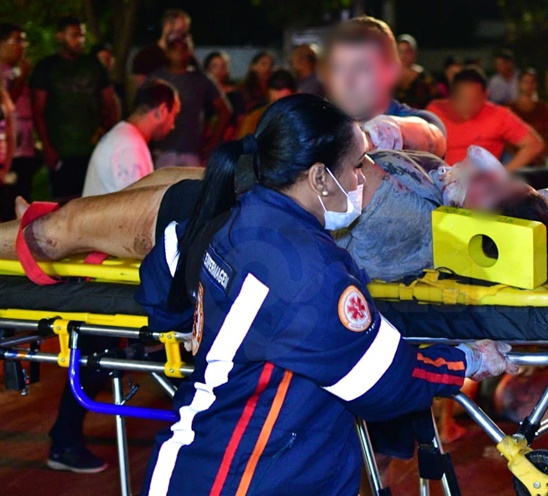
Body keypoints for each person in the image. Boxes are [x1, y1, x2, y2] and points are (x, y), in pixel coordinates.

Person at [140, 95, 516, 494]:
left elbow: (159, 279)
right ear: (320, 178)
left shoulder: (231, 216)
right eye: (357, 165)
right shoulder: (310, 271)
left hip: (203, 455)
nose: (362, 178)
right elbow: (383, 382)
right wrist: (467, 361)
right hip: (248, 475)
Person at [323, 17, 447, 157]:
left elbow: (431, 138)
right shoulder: (318, 125)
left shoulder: (417, 119)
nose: (347, 81)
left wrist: (387, 131)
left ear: (391, 71)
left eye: (361, 68)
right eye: (338, 68)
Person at [30, 16, 119, 201]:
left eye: (82, 35)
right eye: (74, 35)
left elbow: (110, 101)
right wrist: (47, 146)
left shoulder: (93, 65)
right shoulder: (46, 67)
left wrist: (112, 136)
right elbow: (38, 109)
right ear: (60, 37)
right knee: (64, 201)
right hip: (62, 147)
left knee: (94, 199)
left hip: (93, 146)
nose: (79, 40)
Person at [427, 68, 543, 169]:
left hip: (484, 187)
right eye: (461, 100)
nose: (467, 106)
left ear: (485, 95)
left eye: (474, 100)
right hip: (441, 184)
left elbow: (534, 144)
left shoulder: (499, 115)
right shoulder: (434, 112)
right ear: (451, 95)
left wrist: (504, 174)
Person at [82, 80, 180, 196]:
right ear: (162, 111)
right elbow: (134, 206)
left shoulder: (124, 137)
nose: (173, 126)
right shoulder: (130, 147)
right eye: (174, 116)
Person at [149, 37, 231, 168]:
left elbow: (225, 110)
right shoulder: (157, 78)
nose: (180, 54)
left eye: (184, 49)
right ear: (167, 52)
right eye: (175, 50)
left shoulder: (201, 79)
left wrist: (214, 141)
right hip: (162, 151)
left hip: (191, 152)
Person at [0, 23, 34, 222]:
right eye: (17, 40)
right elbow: (6, 109)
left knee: (20, 205)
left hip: (23, 150)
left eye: (24, 40)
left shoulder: (16, 71)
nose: (22, 46)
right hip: (7, 155)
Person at [130, 8, 193, 90]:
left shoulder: (185, 56)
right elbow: (142, 88)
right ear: (167, 26)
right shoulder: (145, 56)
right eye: (180, 30)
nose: (183, 35)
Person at [507, 69, 548, 166]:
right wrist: (519, 156)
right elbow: (504, 136)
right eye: (525, 82)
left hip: (539, 158)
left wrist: (542, 153)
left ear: (536, 85)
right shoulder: (510, 109)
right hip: (515, 159)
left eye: (532, 82)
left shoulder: (543, 108)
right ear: (519, 84)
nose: (529, 85)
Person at [236, 69, 295, 139]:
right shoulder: (254, 119)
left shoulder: (303, 118)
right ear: (268, 96)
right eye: (274, 102)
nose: (279, 108)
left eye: (284, 103)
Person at [394, 34, 436, 109]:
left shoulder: (425, 78)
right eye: (400, 51)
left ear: (414, 52)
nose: (404, 55)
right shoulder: (388, 77)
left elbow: (434, 100)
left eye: (407, 51)